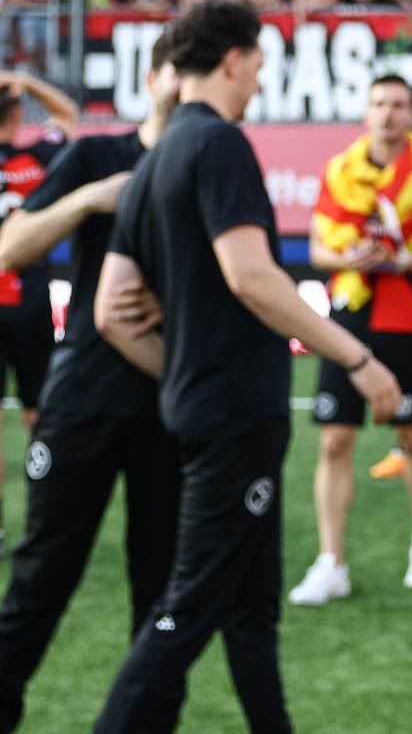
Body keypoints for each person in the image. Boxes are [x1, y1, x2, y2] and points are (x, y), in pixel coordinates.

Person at [93, 0, 401, 731]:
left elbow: (112, 309)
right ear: (232, 58)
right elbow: (253, 277)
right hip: (236, 414)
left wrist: (179, 371)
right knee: (190, 605)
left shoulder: (157, 155)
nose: (262, 73)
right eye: (259, 59)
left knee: (251, 608)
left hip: (206, 405)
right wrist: (358, 358)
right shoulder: (218, 143)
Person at [0, 36, 181, 732]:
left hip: (166, 404)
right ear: (152, 76)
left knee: (159, 591)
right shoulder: (96, 154)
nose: (181, 86)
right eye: (174, 71)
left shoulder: (205, 160)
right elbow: (13, 246)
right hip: (83, 400)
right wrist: (89, 200)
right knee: (40, 578)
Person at [290, 75, 412, 605]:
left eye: (398, 105)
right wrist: (350, 259)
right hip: (350, 308)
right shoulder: (340, 171)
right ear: (365, 112)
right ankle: (330, 560)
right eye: (379, 104)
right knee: (334, 438)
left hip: (406, 310)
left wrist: (400, 260)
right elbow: (319, 252)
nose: (387, 113)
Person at [0, 71, 78, 554]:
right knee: (39, 417)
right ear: (15, 112)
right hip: (28, 303)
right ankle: (44, 523)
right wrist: (25, 80)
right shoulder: (40, 154)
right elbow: (69, 117)